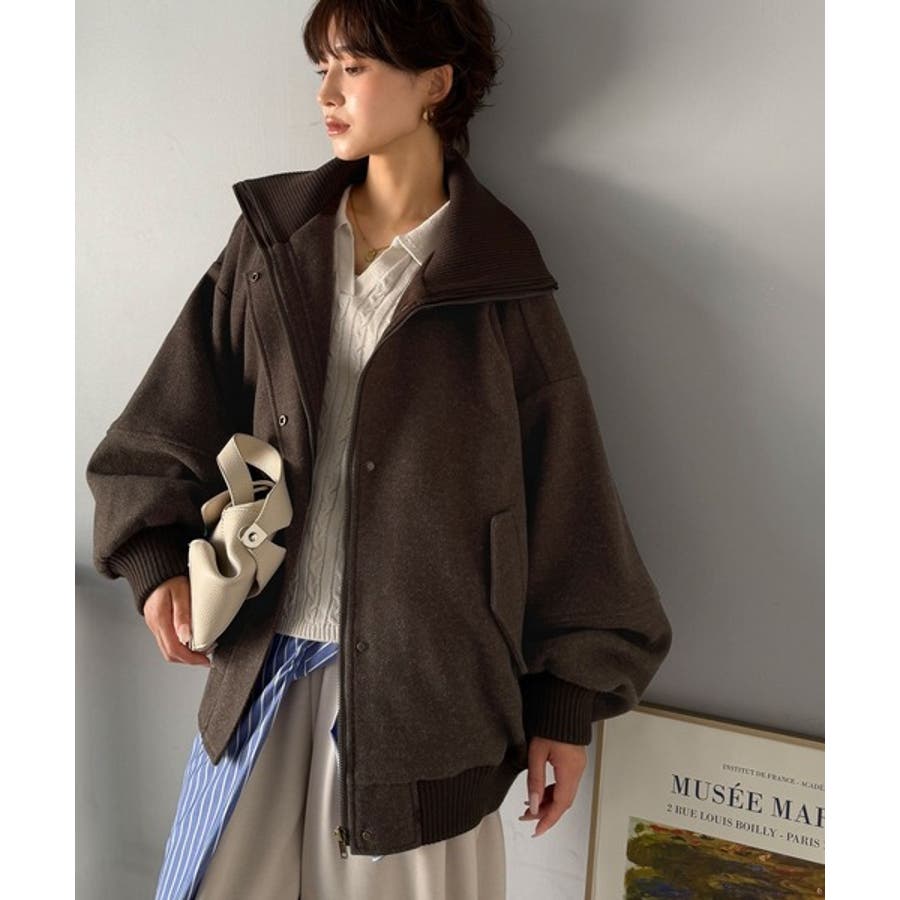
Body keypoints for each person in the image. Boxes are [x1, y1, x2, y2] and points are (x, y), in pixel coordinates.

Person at [85, 1, 674, 898]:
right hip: (262, 668)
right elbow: (166, 417)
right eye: (321, 66)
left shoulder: (497, 277)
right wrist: (157, 560)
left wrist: (566, 704)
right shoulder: (274, 242)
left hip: (427, 710)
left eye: (354, 67)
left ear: (435, 82)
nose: (327, 92)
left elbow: (569, 495)